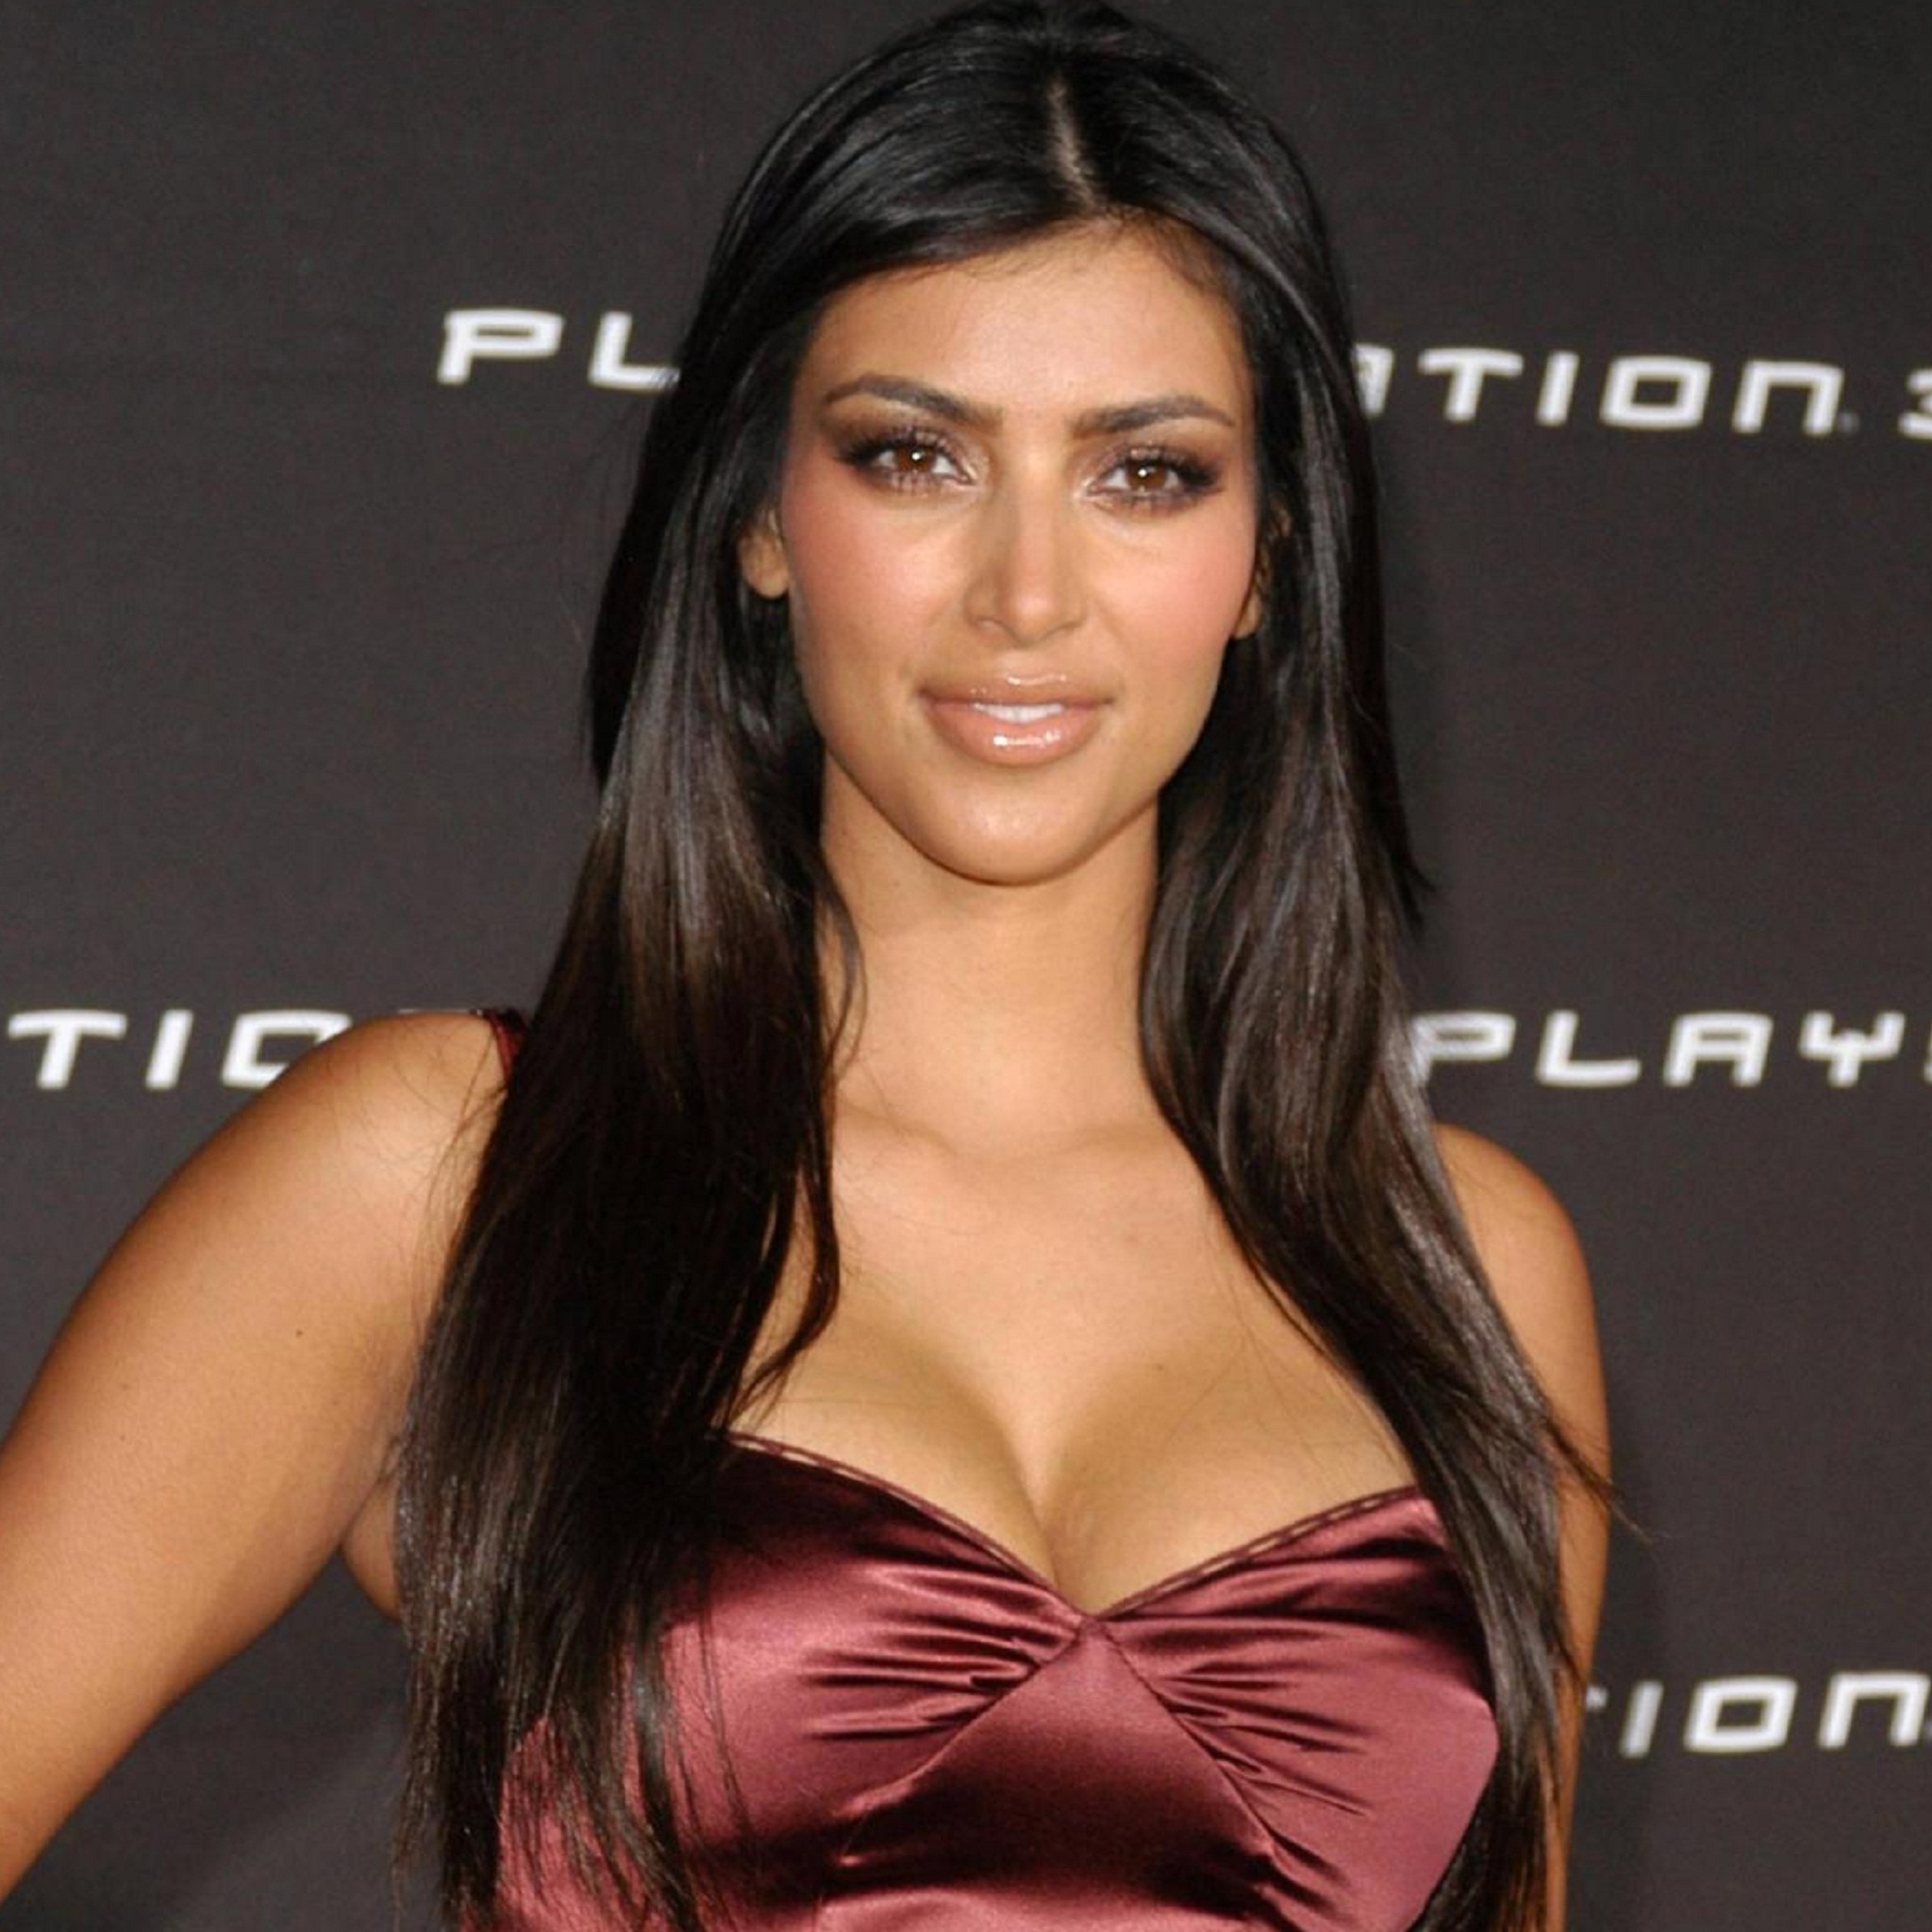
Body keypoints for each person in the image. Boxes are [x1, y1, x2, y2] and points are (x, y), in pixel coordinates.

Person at [0, 2, 1610, 1927]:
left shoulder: (1467, 1265)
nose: (1026, 597)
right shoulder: (447, 1180)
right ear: (764, 516)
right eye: (915, 456)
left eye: (1145, 473)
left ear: (1268, 556)